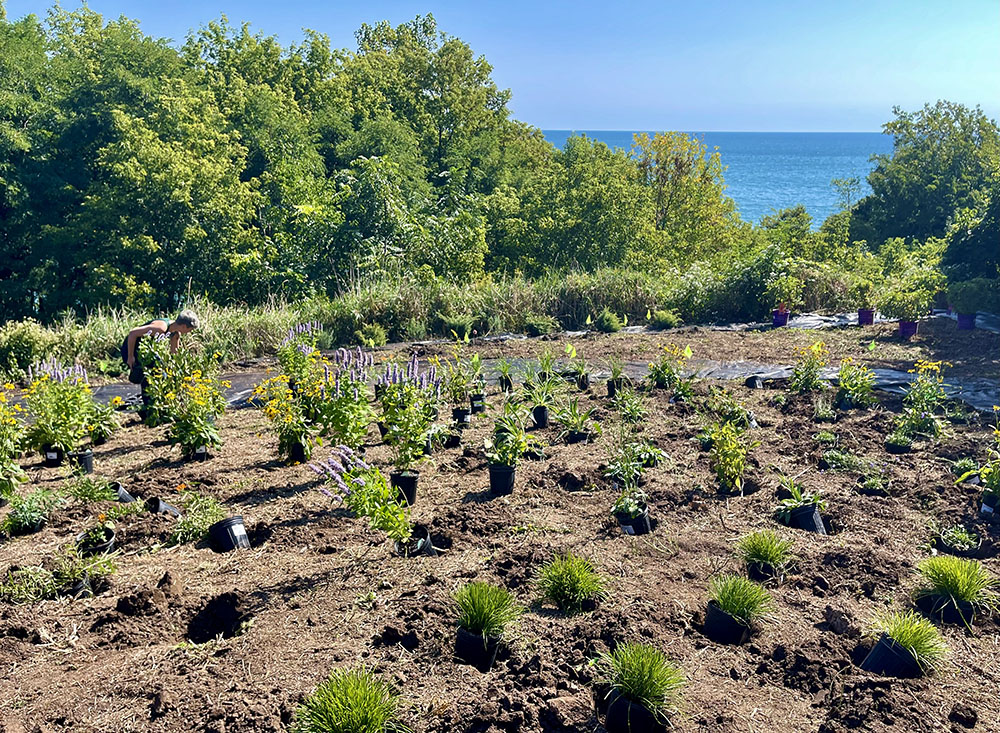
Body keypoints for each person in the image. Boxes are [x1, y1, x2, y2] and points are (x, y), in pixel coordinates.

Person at [121, 310, 200, 386]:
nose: (190, 332)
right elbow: (133, 333)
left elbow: (174, 355)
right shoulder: (160, 328)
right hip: (130, 347)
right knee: (153, 371)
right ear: (184, 326)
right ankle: (148, 397)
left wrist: (176, 373)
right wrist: (130, 356)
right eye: (190, 329)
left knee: (161, 368)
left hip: (147, 351)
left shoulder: (175, 334)